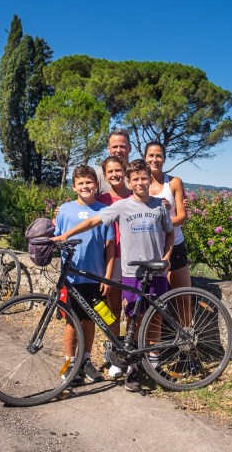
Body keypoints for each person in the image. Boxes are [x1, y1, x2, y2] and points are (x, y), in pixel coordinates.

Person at [53, 159, 174, 392]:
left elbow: (170, 233)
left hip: (156, 270)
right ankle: (133, 367)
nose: (140, 182)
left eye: (144, 178)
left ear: (150, 179)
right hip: (131, 271)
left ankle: (152, 365)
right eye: (135, 179)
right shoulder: (121, 206)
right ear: (129, 183)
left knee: (154, 317)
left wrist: (167, 257)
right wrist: (64, 235)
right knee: (132, 318)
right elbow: (92, 221)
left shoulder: (159, 205)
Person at [55, 165, 115, 385]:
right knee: (71, 321)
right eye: (80, 183)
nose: (85, 186)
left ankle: (86, 360)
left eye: (89, 182)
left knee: (90, 320)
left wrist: (107, 276)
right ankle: (70, 362)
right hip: (70, 278)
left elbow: (110, 247)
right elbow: (58, 237)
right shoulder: (64, 210)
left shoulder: (104, 210)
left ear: (96, 185)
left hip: (95, 276)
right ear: (74, 187)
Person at [96, 155, 132, 378]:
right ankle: (115, 354)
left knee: (132, 310)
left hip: (132, 259)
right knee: (114, 309)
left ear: (125, 170)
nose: (115, 175)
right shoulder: (101, 198)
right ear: (105, 175)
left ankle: (132, 354)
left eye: (118, 170)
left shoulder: (134, 194)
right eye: (110, 172)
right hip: (110, 259)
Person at [144, 141, 192, 291]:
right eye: (151, 155)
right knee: (153, 300)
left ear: (164, 159)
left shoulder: (174, 182)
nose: (154, 159)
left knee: (183, 299)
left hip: (175, 245)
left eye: (158, 156)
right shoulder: (139, 184)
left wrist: (160, 223)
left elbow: (182, 217)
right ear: (145, 158)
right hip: (150, 247)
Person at [95, 128, 131, 194]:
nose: (118, 150)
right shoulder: (98, 175)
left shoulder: (137, 173)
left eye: (122, 146)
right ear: (109, 149)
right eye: (115, 147)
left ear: (130, 148)